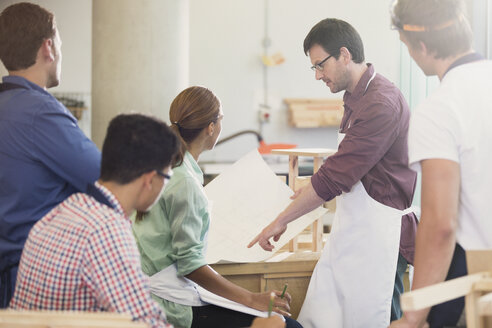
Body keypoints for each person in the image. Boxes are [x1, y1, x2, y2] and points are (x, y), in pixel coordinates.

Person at [248, 18, 418, 327]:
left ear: (344, 54)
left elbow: (335, 177)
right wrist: (305, 192)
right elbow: (344, 167)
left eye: (320, 66)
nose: (318, 76)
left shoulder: (381, 102)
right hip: (354, 233)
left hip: (380, 239)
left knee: (371, 318)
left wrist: (280, 221)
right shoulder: (355, 97)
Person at [131, 86, 299, 328]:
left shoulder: (159, 166)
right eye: (220, 119)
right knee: (288, 326)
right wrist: (252, 298)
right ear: (211, 127)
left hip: (152, 290)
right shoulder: (185, 181)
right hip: (172, 305)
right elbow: (190, 265)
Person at [9, 114, 177, 327]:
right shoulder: (106, 231)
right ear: (150, 179)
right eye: (167, 177)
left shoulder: (63, 211)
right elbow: (145, 322)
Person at [388, 0, 492, 327]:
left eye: (406, 46)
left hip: (480, 281)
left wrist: (413, 316)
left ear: (421, 45)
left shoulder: (440, 109)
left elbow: (440, 223)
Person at [0, 2, 101, 307]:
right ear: (48, 48)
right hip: (38, 277)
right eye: (59, 43)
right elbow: (106, 178)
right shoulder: (40, 111)